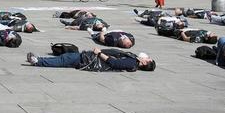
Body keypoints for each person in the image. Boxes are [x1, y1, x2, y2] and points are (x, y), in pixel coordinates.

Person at [26, 48, 156, 72]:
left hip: (90, 59)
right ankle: (39, 60)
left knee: (64, 59)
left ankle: (37, 61)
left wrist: (99, 53)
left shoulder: (132, 63)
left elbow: (114, 63)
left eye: (148, 58)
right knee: (64, 59)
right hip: (89, 58)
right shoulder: (134, 60)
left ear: (145, 63)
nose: (146, 56)